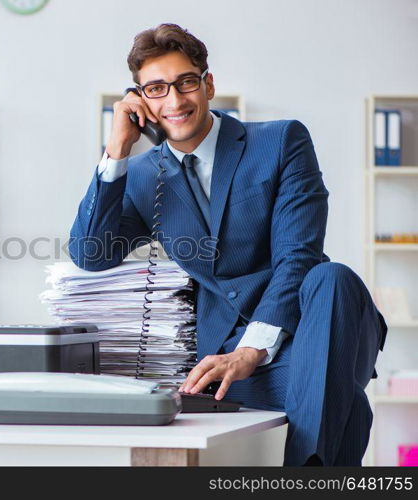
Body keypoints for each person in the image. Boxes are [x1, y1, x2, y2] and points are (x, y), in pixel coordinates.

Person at [68, 23, 387, 466]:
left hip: (313, 326)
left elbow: (298, 256)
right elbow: (90, 255)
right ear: (140, 100)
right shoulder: (142, 176)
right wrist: (116, 150)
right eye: (157, 89)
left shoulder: (280, 141)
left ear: (208, 84)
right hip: (225, 352)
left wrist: (250, 351)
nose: (175, 101)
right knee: (340, 398)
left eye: (185, 83)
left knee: (331, 277)